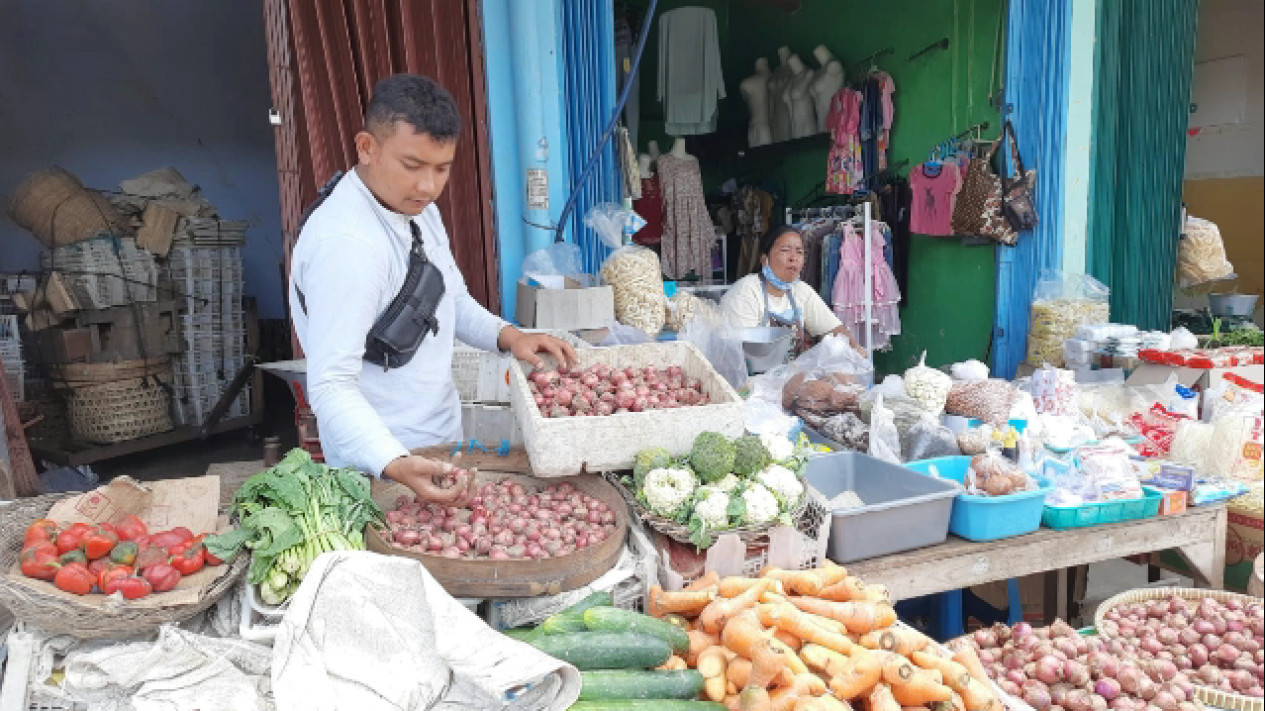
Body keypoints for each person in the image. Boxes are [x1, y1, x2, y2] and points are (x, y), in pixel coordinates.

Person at [289, 74, 576, 506]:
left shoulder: (419, 211)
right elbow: (331, 386)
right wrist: (393, 460)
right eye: (412, 165)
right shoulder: (346, 246)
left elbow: (452, 299)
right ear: (366, 147)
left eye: (441, 168)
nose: (428, 186)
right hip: (381, 467)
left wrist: (511, 336)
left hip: (439, 443)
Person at [720, 225, 864, 357]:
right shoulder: (745, 293)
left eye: (799, 252)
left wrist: (857, 352)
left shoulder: (801, 291)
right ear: (765, 260)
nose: (793, 258)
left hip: (790, 375)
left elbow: (834, 331)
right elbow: (742, 355)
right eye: (785, 250)